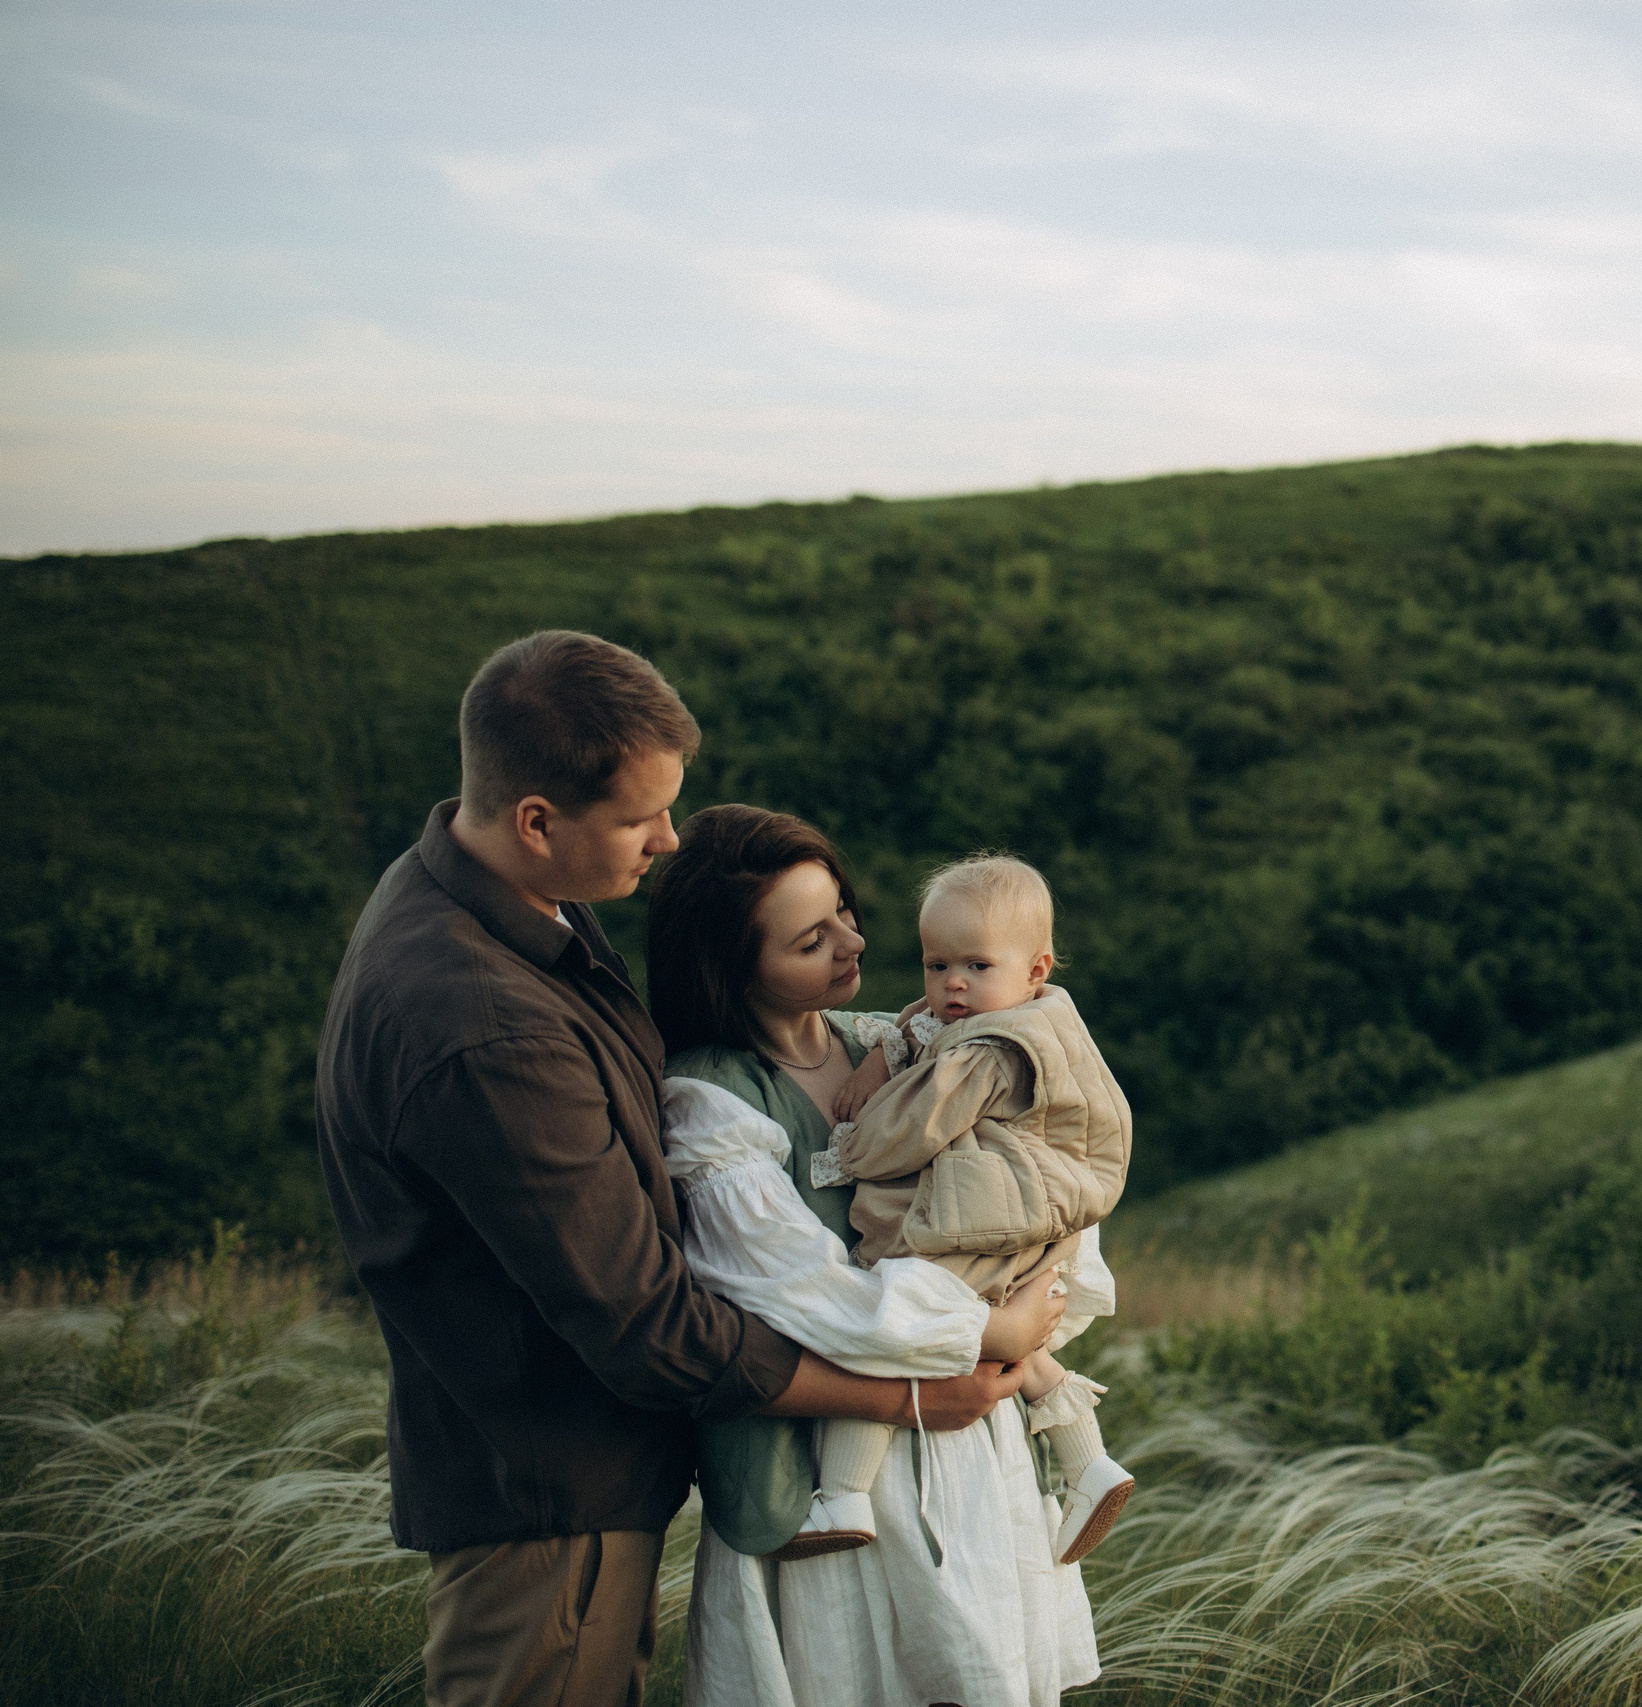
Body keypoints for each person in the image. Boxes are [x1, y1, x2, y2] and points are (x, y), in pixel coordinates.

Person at [315, 632, 1049, 1707]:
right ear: (535, 819)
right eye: (638, 818)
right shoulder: (481, 1024)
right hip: (547, 1497)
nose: (666, 841)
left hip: (570, 1475)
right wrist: (901, 1396)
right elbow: (647, 1326)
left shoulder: (513, 904)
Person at [646, 806, 1102, 1707]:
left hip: (970, 1443)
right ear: (736, 968)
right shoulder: (713, 1100)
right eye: (814, 938)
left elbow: (1035, 1179)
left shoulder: (897, 1041)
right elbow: (804, 1296)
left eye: (845, 909)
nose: (855, 939)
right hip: (833, 1480)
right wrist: (986, 1326)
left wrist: (1018, 1307)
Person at [813, 854, 1134, 1566]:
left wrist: (854, 1138)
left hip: (990, 1209)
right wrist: (882, 1052)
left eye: (976, 966)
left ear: (1034, 969)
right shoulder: (1012, 1014)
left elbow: (915, 1127)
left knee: (896, 1317)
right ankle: (1088, 1463)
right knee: (1023, 1343)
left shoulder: (990, 1050)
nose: (951, 984)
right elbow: (921, 1024)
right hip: (1020, 1211)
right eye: (935, 964)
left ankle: (840, 1491)